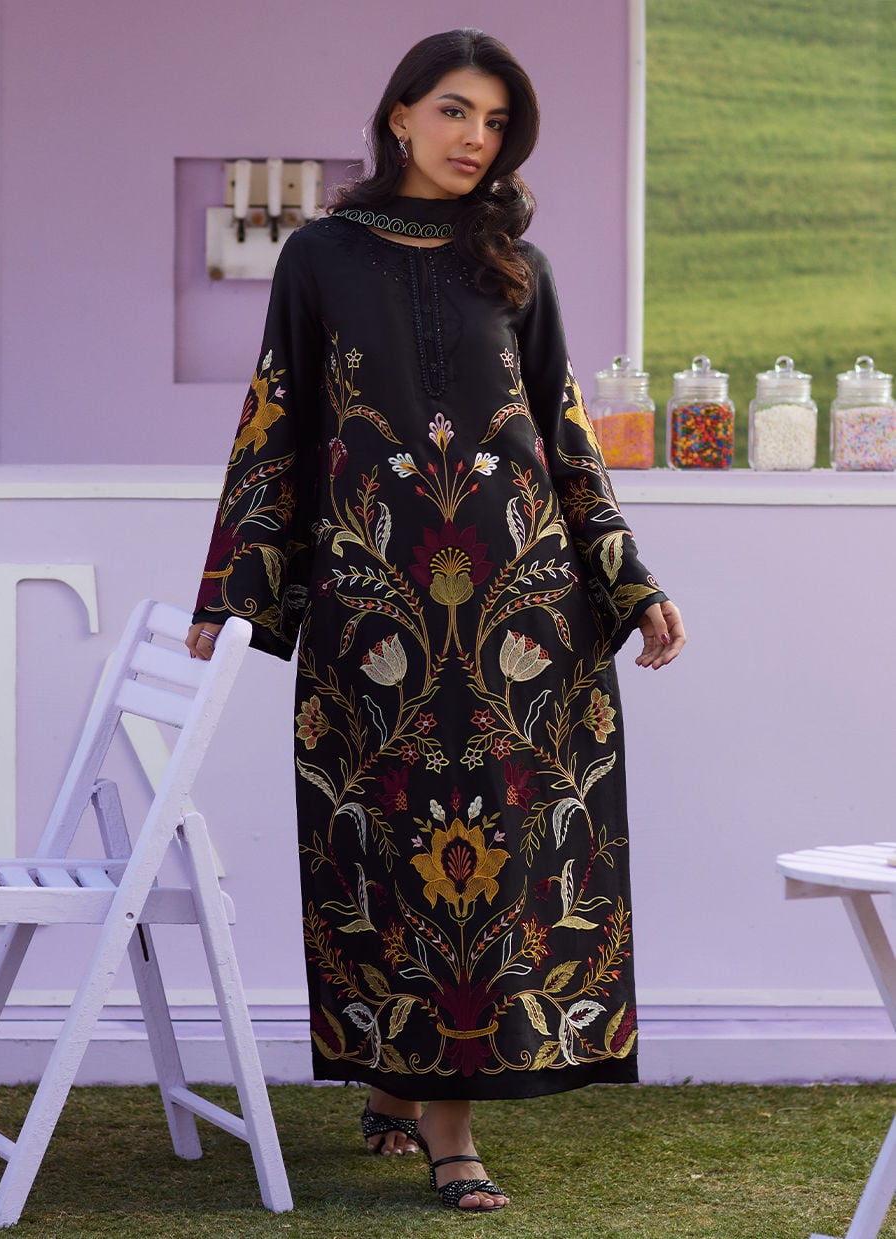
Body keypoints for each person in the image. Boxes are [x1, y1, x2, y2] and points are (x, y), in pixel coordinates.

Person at [187, 28, 685, 1213]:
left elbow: (564, 437)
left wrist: (633, 583)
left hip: (521, 617)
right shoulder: (320, 256)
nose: (476, 138)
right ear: (401, 115)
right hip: (375, 613)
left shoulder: (517, 265)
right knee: (389, 849)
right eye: (457, 111)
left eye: (497, 122)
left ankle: (448, 1129)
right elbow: (278, 420)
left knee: (492, 865)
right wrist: (232, 588)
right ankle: (398, 1082)